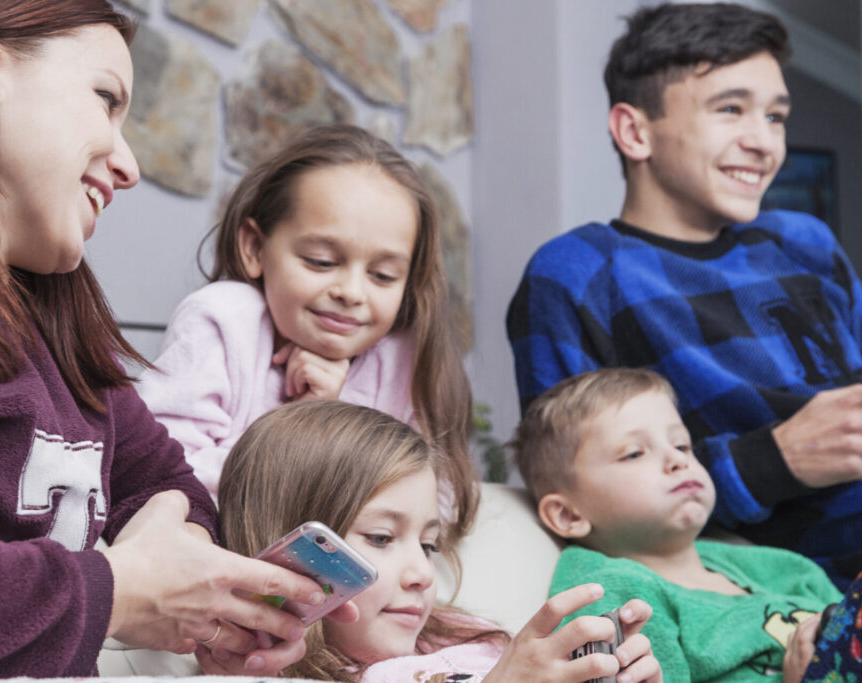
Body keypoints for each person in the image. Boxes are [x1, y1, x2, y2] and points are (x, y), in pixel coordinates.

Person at [0, 1, 353, 678]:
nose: (130, 165)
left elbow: (169, 483)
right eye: (106, 98)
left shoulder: (53, 327)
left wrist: (191, 588)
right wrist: (117, 590)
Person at [506, 1, 862, 584]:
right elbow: (574, 488)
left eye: (775, 116)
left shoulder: (807, 241)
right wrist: (774, 461)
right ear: (634, 131)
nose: (764, 143)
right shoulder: (577, 273)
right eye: (730, 110)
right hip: (786, 593)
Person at [137, 123, 476, 545]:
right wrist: (302, 441)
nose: (351, 292)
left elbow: (440, 508)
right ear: (255, 248)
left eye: (383, 275)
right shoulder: (224, 321)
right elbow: (157, 475)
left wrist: (332, 423)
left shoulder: (405, 358)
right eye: (320, 261)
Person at [205, 400, 663, 681]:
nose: (423, 574)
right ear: (291, 550)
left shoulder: (469, 640)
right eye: (382, 537)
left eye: (428, 546)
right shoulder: (254, 667)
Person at [514, 367, 849, 681]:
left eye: (682, 445)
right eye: (634, 453)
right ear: (569, 515)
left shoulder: (783, 567)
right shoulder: (612, 595)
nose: (678, 460)